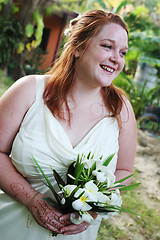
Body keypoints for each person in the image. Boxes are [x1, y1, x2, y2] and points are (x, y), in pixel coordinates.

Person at [0, 9, 137, 240]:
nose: (117, 58)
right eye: (107, 46)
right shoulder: (28, 91)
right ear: (78, 47)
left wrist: (93, 209)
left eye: (122, 52)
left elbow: (124, 172)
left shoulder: (121, 110)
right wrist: (31, 199)